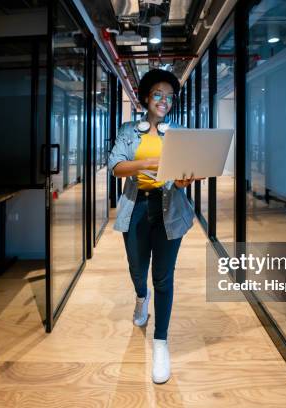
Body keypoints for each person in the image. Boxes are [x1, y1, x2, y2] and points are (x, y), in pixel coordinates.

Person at [108, 69, 198, 384]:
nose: (164, 101)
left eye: (169, 96)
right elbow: (116, 167)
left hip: (169, 206)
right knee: (136, 267)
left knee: (163, 277)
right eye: (158, 94)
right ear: (147, 97)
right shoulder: (129, 130)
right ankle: (139, 296)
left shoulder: (180, 133)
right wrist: (148, 163)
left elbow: (184, 175)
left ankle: (161, 341)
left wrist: (187, 178)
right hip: (136, 206)